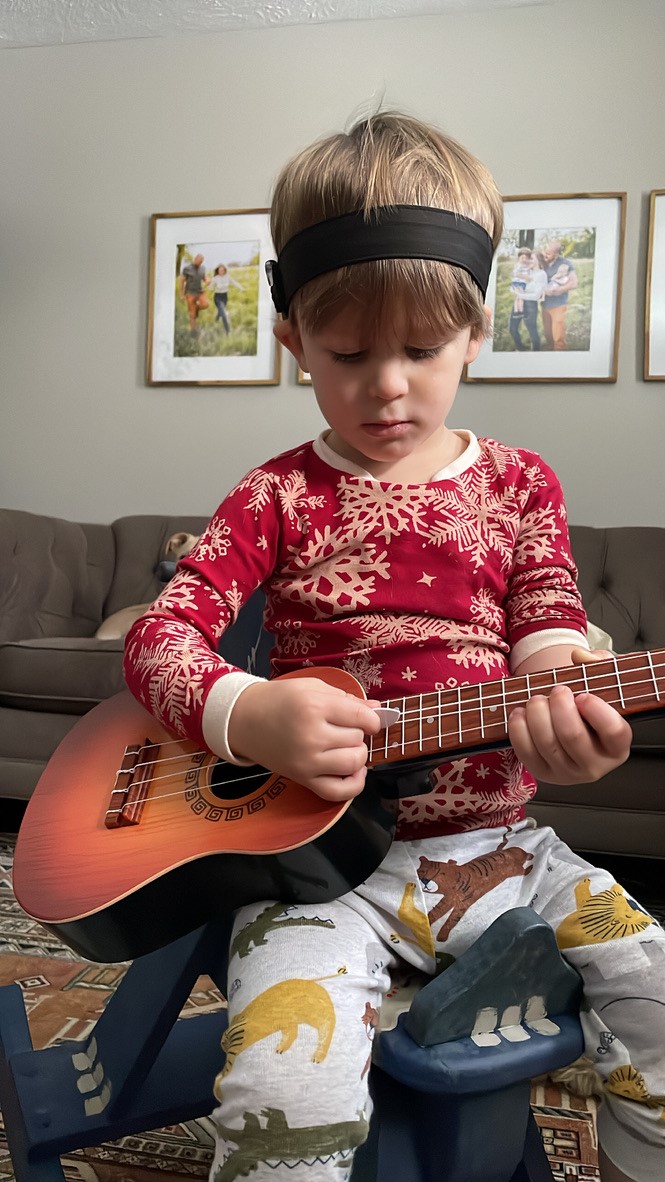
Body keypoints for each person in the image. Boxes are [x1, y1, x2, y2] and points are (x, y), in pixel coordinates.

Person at [124, 112, 664, 1182]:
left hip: (508, 853)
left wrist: (566, 701)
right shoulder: (275, 495)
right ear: (291, 345)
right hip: (314, 876)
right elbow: (157, 640)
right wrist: (251, 713)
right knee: (280, 1089)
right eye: (347, 352)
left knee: (655, 992)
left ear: (473, 337)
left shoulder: (519, 486)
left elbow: (548, 614)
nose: (386, 385)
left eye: (420, 350)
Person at [541, 238, 578, 350]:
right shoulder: (542, 262)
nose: (545, 255)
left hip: (558, 304)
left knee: (558, 334)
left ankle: (560, 353)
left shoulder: (566, 264)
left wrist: (560, 290)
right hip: (544, 303)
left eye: (548, 253)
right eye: (545, 251)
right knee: (548, 332)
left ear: (556, 254)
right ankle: (549, 352)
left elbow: (574, 283)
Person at [509, 249, 548, 351]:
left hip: (530, 305)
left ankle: (535, 354)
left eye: (531, 258)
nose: (528, 260)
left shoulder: (541, 274)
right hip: (519, 301)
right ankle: (521, 349)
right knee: (512, 328)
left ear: (538, 260)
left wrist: (520, 294)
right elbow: (515, 279)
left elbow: (536, 296)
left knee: (532, 331)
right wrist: (514, 289)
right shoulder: (526, 271)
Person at [209, 263, 244, 334]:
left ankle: (216, 320)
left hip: (225, 297)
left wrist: (241, 288)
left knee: (220, 311)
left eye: (223, 270)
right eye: (220, 270)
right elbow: (211, 288)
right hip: (217, 297)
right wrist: (210, 285)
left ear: (225, 270)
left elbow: (234, 282)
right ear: (217, 271)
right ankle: (228, 331)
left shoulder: (228, 277)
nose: (221, 271)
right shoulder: (215, 278)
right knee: (224, 313)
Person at [179, 252, 209, 335]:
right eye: (198, 261)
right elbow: (182, 281)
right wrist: (181, 294)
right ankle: (193, 331)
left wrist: (207, 280)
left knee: (205, 304)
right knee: (192, 314)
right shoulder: (187, 268)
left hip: (200, 291)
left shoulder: (203, 268)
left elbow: (204, 277)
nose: (199, 263)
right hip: (190, 293)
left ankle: (196, 309)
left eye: (201, 261)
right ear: (195, 259)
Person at [509, 246, 532, 316]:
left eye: (526, 258)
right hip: (518, 283)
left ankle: (518, 311)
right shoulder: (519, 265)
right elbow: (515, 273)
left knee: (519, 297)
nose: (524, 260)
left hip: (522, 283)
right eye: (522, 258)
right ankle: (519, 310)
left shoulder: (527, 266)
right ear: (519, 258)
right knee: (520, 297)